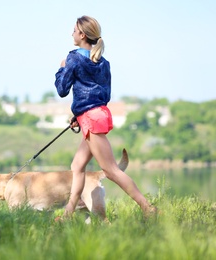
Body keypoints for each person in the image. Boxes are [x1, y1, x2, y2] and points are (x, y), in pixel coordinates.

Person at [55, 15, 156, 219]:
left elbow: (62, 89)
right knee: (77, 166)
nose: (71, 33)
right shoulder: (103, 63)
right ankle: (67, 214)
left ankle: (148, 208)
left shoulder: (73, 59)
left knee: (110, 171)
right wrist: (80, 114)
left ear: (82, 34)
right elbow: (104, 95)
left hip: (91, 119)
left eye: (74, 30)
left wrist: (62, 68)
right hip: (95, 115)